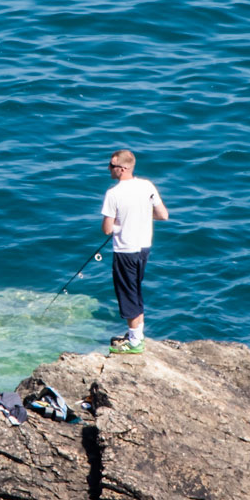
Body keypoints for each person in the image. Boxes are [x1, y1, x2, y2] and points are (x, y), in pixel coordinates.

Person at [99, 148, 168, 354]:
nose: (108, 168)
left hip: (125, 250)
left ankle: (135, 342)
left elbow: (107, 229)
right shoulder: (147, 186)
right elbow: (163, 215)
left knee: (128, 294)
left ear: (122, 168)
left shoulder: (113, 194)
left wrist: (120, 223)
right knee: (135, 289)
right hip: (144, 248)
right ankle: (137, 334)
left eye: (111, 165)